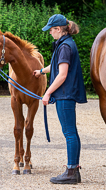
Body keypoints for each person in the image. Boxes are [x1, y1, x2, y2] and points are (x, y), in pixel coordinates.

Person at [33, 14, 87, 184]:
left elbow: (62, 75)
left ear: (58, 29)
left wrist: (47, 93)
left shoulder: (65, 47)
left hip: (65, 94)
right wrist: (41, 71)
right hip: (66, 93)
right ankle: (74, 170)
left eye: (51, 30)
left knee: (69, 133)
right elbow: (57, 65)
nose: (50, 33)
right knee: (71, 132)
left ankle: (71, 171)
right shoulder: (65, 44)